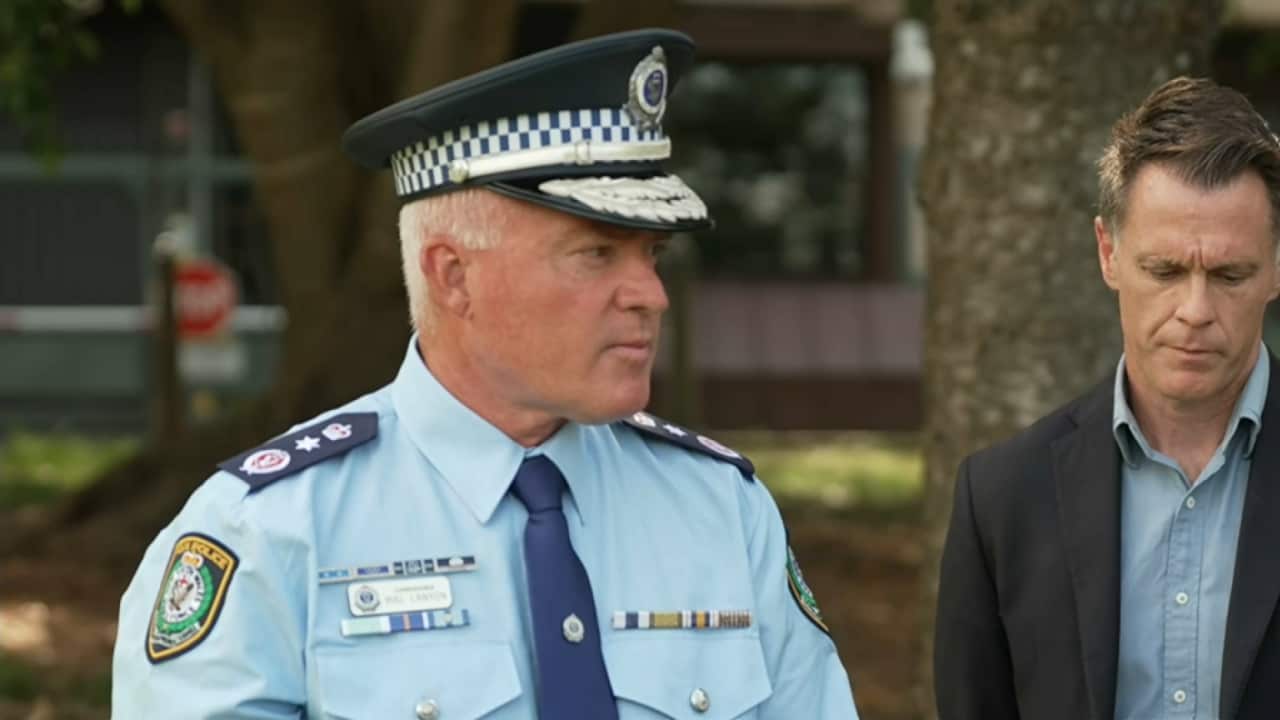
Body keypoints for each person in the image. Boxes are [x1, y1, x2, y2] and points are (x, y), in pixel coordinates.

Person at [111, 29, 859, 719]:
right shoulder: (270, 530)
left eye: (651, 255)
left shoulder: (719, 509)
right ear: (453, 275)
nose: (650, 296)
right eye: (597, 254)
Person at [934, 76, 1280, 720]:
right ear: (1108, 253)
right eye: (1164, 270)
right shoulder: (1002, 497)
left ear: (1277, 267)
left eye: (1230, 274)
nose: (1195, 310)